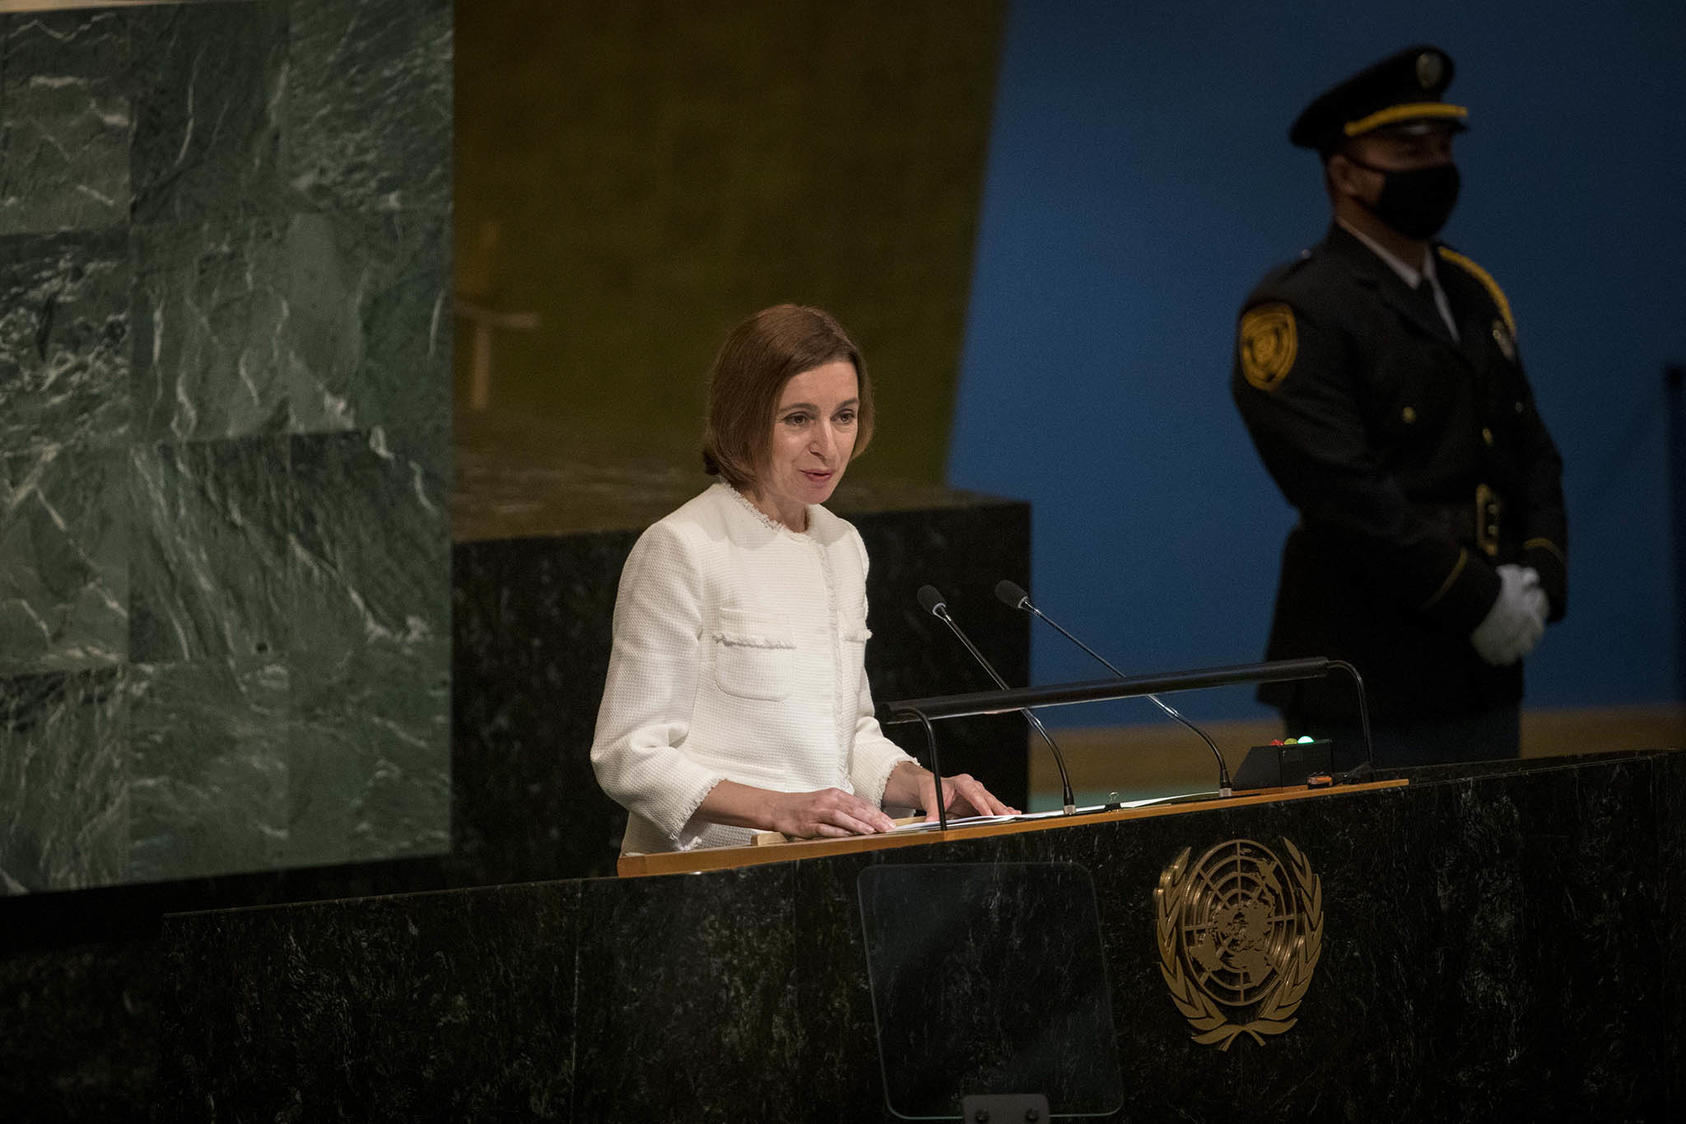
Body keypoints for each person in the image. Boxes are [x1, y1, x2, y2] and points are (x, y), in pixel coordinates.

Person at [1230, 45, 1568, 767]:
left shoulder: (1472, 294)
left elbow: (1528, 449)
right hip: (1366, 672)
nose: (1433, 166)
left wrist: (1540, 573)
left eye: (1442, 148)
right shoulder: (1299, 309)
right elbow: (1343, 492)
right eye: (1405, 149)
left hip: (1483, 670)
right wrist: (1477, 598)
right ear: (1344, 171)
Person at [591, 304, 1015, 853]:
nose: (828, 445)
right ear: (743, 419)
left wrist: (922, 786)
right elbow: (628, 755)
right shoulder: (680, 547)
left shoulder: (843, 545)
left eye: (844, 416)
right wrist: (777, 809)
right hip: (703, 881)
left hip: (822, 866)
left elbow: (847, 735)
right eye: (798, 419)